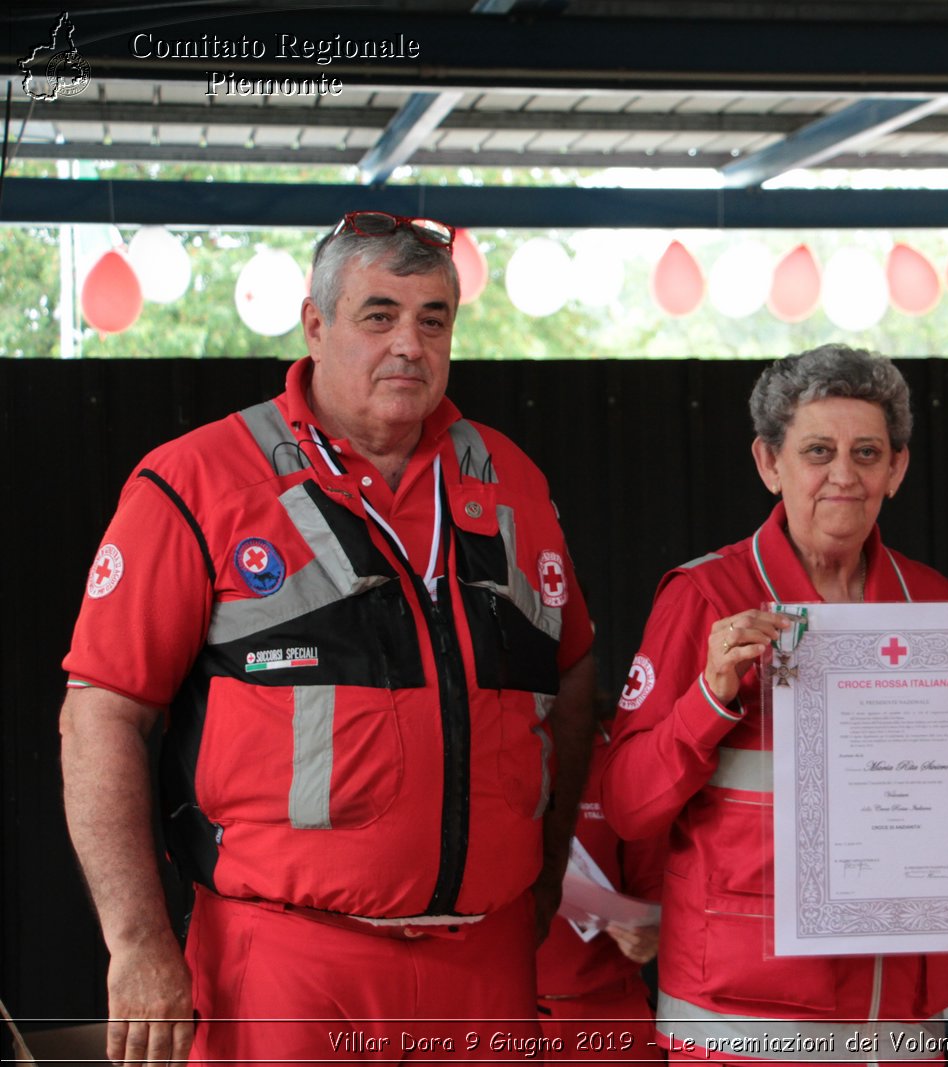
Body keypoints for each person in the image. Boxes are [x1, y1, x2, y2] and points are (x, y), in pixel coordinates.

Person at [59, 210, 596, 1065]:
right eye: (378, 314)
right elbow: (101, 716)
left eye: (433, 318)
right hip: (284, 962)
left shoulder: (511, 481)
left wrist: (544, 875)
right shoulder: (196, 481)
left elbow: (571, 679)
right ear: (315, 323)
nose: (409, 345)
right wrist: (137, 941)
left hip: (485, 961)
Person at [601, 343, 948, 1061]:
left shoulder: (932, 603)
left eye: (867, 452)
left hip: (898, 1022)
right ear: (769, 463)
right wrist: (710, 696)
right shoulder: (703, 597)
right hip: (743, 1022)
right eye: (818, 450)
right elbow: (629, 806)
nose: (843, 476)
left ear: (897, 469)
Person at [536, 721, 667, 1062]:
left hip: (609, 1012)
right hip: (501, 1011)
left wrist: (652, 930)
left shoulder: (615, 758)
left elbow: (654, 886)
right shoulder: (480, 756)